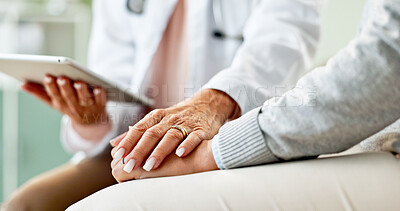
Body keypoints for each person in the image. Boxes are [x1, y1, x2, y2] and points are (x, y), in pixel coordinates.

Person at [2, 0, 322, 210]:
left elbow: (283, 40)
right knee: (28, 204)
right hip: (137, 146)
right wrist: (93, 116)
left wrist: (216, 102)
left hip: (222, 140)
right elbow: (116, 72)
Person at [82, 0, 400, 209]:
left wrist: (216, 144)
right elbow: (115, 84)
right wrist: (91, 118)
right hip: (138, 143)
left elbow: (383, 65)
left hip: (224, 130)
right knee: (33, 200)